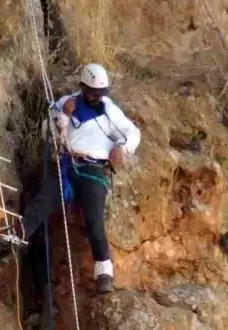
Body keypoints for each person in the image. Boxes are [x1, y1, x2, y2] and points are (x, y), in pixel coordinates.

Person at [19, 63, 141, 294]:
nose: (97, 97)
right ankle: (17, 237)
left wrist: (122, 148)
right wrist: (63, 115)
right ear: (83, 87)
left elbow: (132, 132)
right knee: (43, 201)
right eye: (93, 92)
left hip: (93, 168)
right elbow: (46, 130)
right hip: (66, 163)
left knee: (94, 217)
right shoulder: (67, 103)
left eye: (101, 93)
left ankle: (104, 272)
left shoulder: (109, 110)